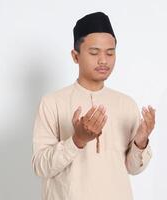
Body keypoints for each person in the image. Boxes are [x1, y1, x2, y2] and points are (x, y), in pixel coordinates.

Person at [31, 11, 156, 200]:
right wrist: (77, 140)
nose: (103, 60)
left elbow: (133, 168)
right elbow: (41, 167)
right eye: (94, 52)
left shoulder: (126, 104)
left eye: (110, 53)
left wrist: (140, 142)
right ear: (75, 56)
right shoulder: (53, 103)